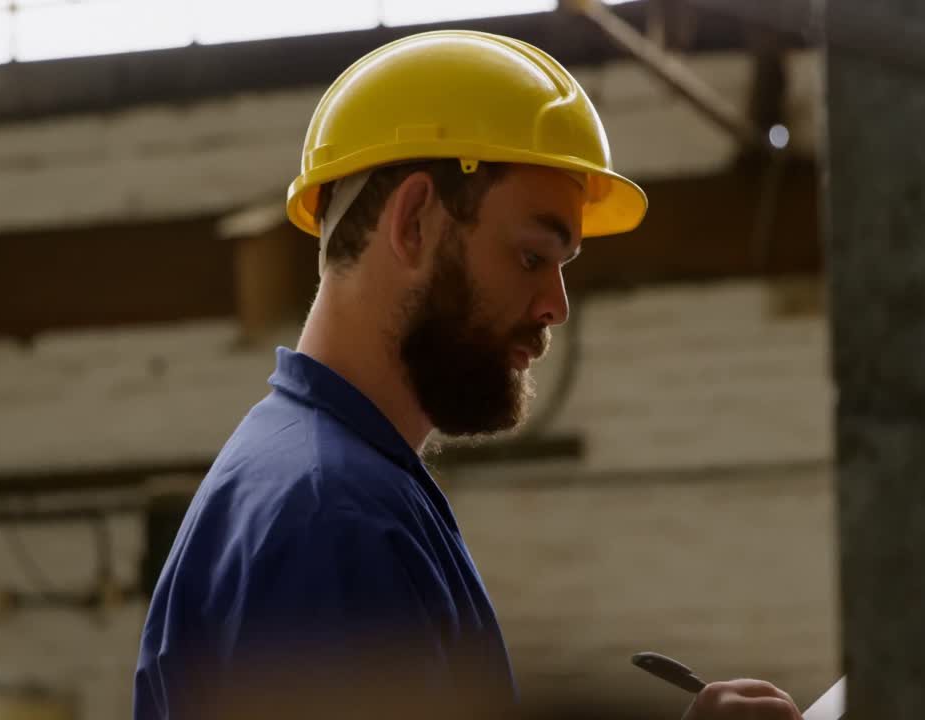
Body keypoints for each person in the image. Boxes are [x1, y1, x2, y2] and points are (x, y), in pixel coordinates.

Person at [134, 29, 803, 720]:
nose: (555, 305)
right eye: (531, 257)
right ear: (415, 222)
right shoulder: (332, 518)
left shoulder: (336, 481)